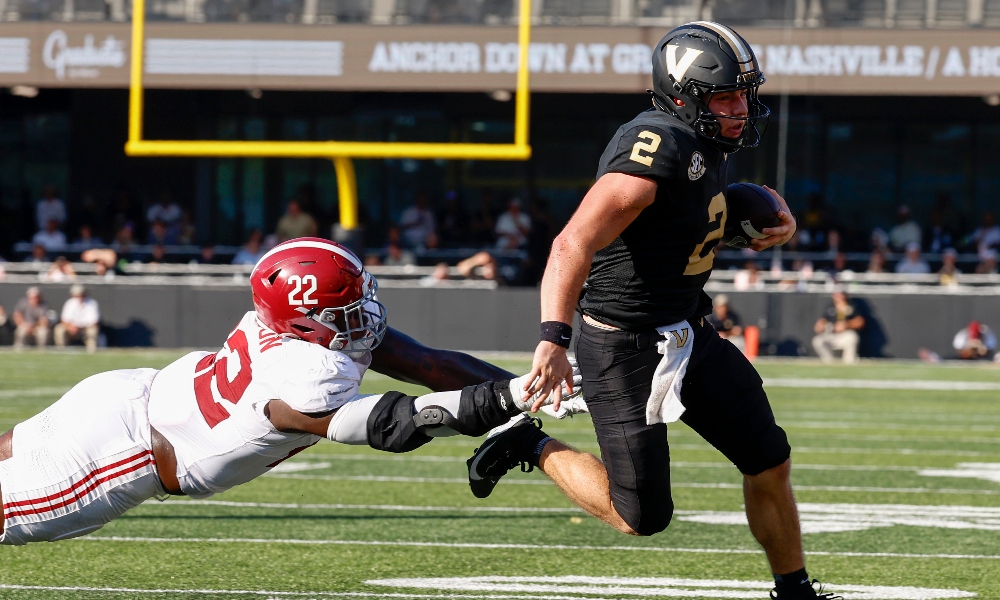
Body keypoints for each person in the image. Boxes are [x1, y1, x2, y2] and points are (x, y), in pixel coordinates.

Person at [465, 23, 838, 600]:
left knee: (768, 459)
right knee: (640, 514)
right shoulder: (656, 146)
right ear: (683, 96)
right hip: (623, 346)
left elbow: (673, 229)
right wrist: (553, 339)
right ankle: (530, 445)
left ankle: (794, 590)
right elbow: (573, 243)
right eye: (725, 96)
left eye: (745, 93)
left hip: (689, 332)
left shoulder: (704, 141)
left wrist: (756, 222)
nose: (741, 107)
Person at [0, 238, 574, 546]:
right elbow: (393, 426)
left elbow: (429, 364)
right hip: (117, 457)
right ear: (304, 321)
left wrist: (532, 383)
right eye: (347, 308)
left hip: (122, 398)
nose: (365, 315)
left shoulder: (294, 327)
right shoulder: (304, 371)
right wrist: (505, 401)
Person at [811, 290, 865, 364]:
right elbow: (819, 325)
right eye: (837, 295)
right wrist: (825, 326)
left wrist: (846, 325)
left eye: (841, 295)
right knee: (818, 341)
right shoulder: (830, 307)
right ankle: (829, 362)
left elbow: (860, 322)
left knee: (853, 337)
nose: (839, 297)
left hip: (845, 335)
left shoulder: (851, 306)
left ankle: (849, 362)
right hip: (831, 335)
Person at [54, 284, 100, 353]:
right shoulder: (69, 303)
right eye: (77, 295)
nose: (79, 297)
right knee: (59, 329)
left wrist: (81, 328)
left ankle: (92, 352)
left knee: (93, 331)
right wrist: (71, 327)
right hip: (72, 329)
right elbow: (64, 320)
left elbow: (94, 322)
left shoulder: (92, 303)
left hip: (85, 329)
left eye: (81, 294)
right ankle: (61, 350)